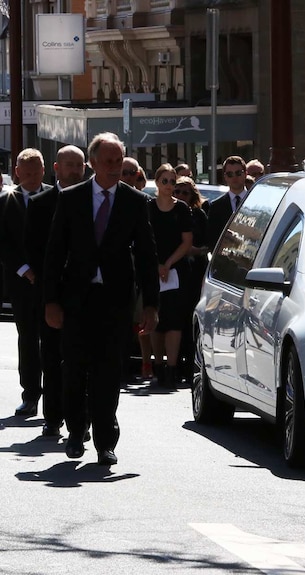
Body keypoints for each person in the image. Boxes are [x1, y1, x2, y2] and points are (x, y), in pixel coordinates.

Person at [43, 132, 159, 466]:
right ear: (92, 163)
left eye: (118, 161)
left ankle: (106, 442)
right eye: (107, 161)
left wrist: (151, 304)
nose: (113, 167)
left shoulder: (134, 202)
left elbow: (147, 255)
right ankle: (77, 432)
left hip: (115, 300)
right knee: (75, 369)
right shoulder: (72, 198)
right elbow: (54, 253)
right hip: (76, 299)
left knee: (109, 371)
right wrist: (50, 301)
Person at [24, 145, 87, 437]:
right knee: (51, 355)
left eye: (80, 165)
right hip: (49, 293)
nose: (75, 170)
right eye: (69, 165)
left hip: (85, 293)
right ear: (56, 168)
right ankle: (52, 417)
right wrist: (44, 286)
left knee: (82, 358)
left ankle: (81, 418)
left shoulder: (92, 199)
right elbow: (34, 249)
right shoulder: (40, 203)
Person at [0, 149, 52, 417]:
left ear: (44, 170)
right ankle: (30, 394)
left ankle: (56, 399)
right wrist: (24, 269)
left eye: (36, 172)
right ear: (17, 172)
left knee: (53, 340)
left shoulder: (57, 197)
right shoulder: (6, 201)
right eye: (26, 173)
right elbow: (4, 243)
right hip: (21, 283)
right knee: (28, 338)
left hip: (53, 280)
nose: (32, 178)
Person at [148, 164, 193, 389]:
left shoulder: (182, 209)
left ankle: (172, 369)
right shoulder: (148, 208)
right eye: (164, 181)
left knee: (174, 321)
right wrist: (156, 265)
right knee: (157, 321)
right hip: (152, 271)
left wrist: (168, 263)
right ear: (157, 182)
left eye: (172, 182)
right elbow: (142, 241)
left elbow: (187, 242)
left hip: (176, 270)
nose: (169, 186)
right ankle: (158, 365)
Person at [174, 176, 209, 383]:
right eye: (176, 191)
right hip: (175, 271)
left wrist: (191, 250)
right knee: (175, 317)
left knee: (191, 318)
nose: (179, 196)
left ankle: (189, 365)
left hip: (195, 272)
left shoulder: (199, 215)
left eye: (184, 192)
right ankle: (174, 364)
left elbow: (206, 245)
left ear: (192, 195)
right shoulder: (170, 211)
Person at [206, 156, 248, 250]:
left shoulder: (256, 202)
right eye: (230, 174)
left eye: (238, 173)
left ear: (245, 174)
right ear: (225, 177)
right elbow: (211, 240)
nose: (234, 177)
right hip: (225, 260)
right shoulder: (216, 206)